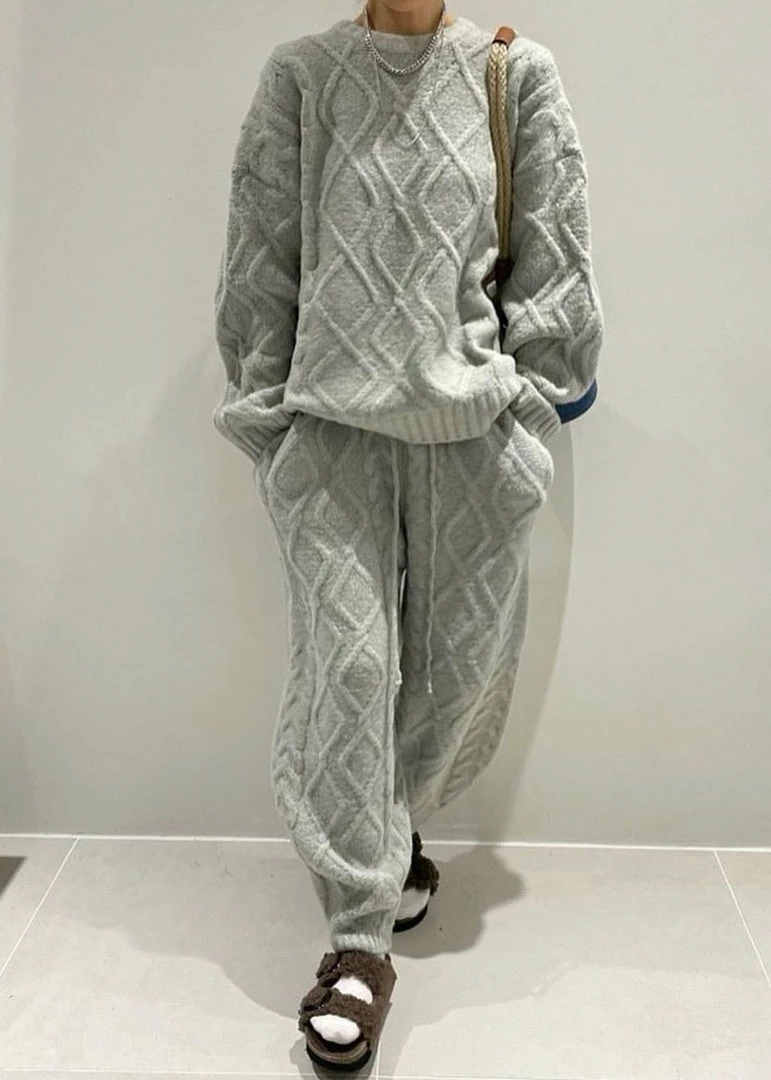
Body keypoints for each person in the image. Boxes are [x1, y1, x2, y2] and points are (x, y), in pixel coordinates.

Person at [212, 0, 604, 1069]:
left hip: (472, 438)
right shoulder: (302, 75)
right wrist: (269, 422)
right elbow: (260, 258)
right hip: (331, 435)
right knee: (346, 671)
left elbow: (555, 257)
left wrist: (527, 418)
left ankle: (390, 830)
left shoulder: (514, 75)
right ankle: (358, 939)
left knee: (461, 674)